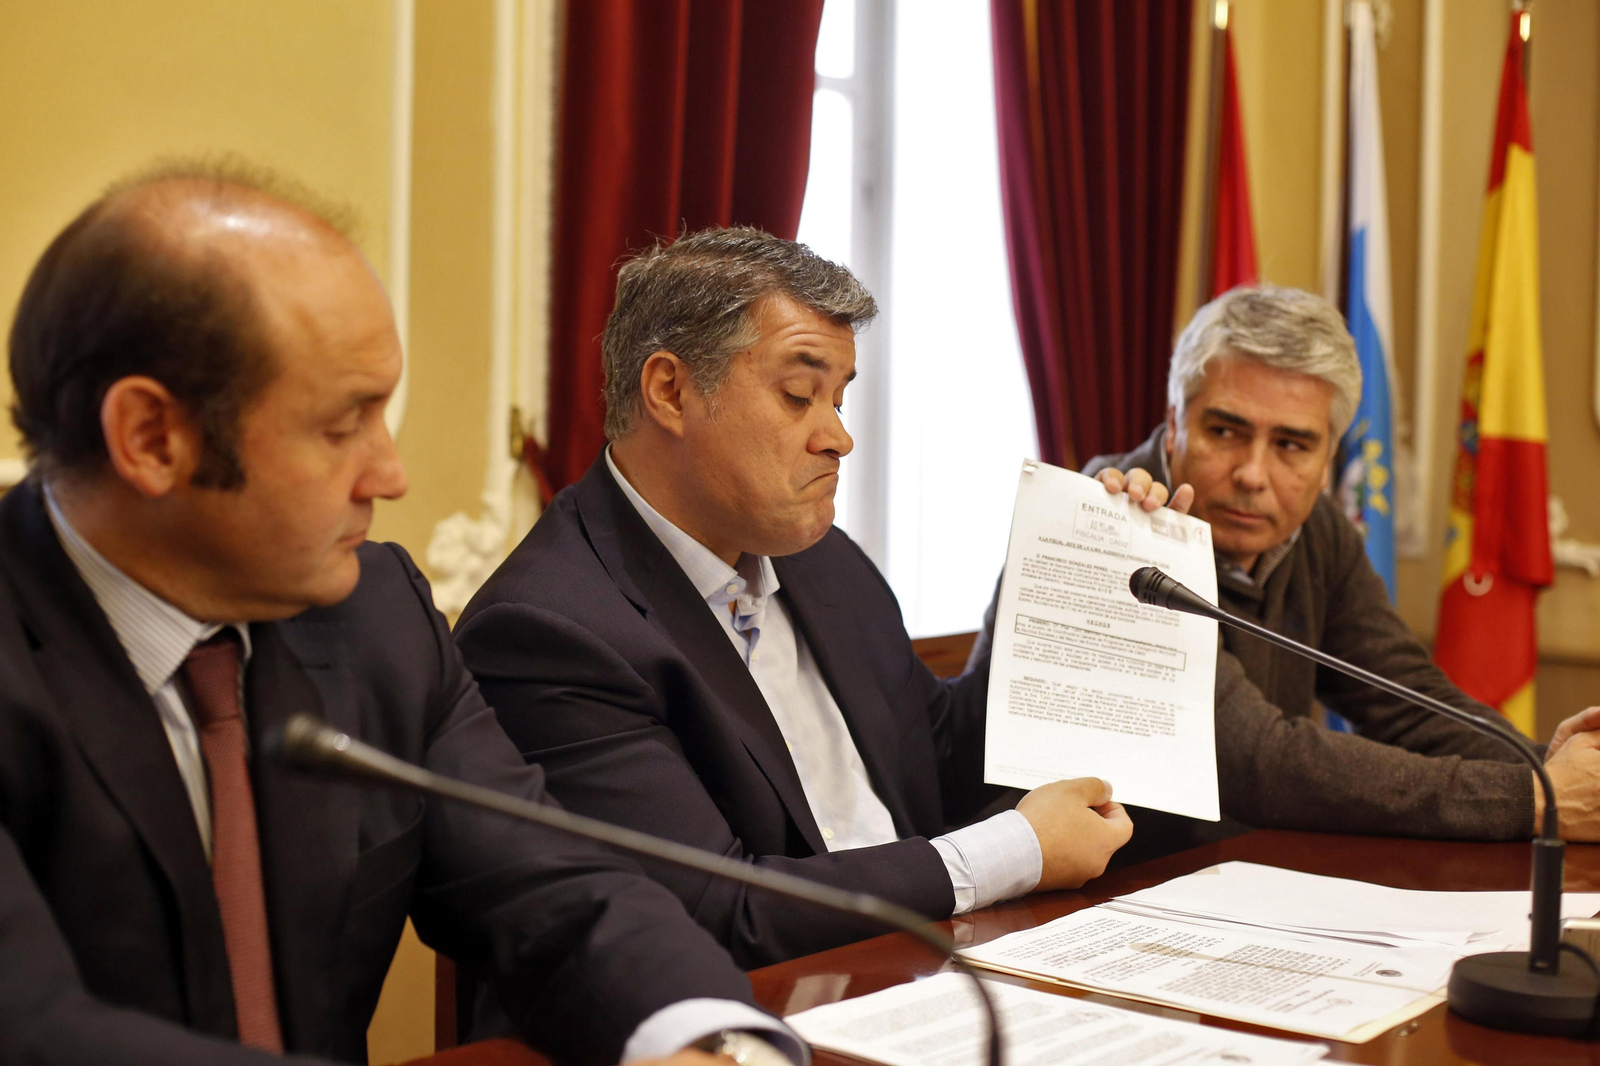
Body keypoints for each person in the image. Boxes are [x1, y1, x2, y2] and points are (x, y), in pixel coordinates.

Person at [0, 167, 802, 1066]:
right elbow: (35, 1030)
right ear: (153, 438)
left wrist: (704, 1041)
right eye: (345, 426)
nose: (391, 475)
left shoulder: (374, 614)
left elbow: (557, 887)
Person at [456, 227, 1146, 971]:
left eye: (840, 399)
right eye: (798, 395)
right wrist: (1014, 850)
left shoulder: (824, 561)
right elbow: (715, 911)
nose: (839, 437)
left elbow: (940, 756)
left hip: (931, 970)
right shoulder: (548, 629)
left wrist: (1082, 570)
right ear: (670, 390)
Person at [972, 283, 1600, 857]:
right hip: (1062, 895)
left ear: (1330, 458)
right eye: (1225, 431)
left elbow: (1407, 699)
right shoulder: (1103, 518)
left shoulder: (1315, 530)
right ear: (1174, 422)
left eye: (1291, 445)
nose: (1253, 474)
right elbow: (1256, 761)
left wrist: (1554, 766)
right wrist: (1534, 799)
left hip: (1229, 878)